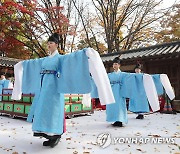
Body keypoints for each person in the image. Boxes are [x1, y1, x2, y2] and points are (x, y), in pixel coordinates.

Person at [11, 33, 115, 148]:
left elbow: (72, 58)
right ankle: (47, 135)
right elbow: (33, 63)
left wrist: (84, 53)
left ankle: (56, 136)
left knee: (54, 111)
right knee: (44, 110)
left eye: (51, 43)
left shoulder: (60, 58)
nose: (49, 45)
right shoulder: (44, 60)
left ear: (56, 45)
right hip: (43, 89)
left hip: (55, 88)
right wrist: (22, 64)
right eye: (48, 43)